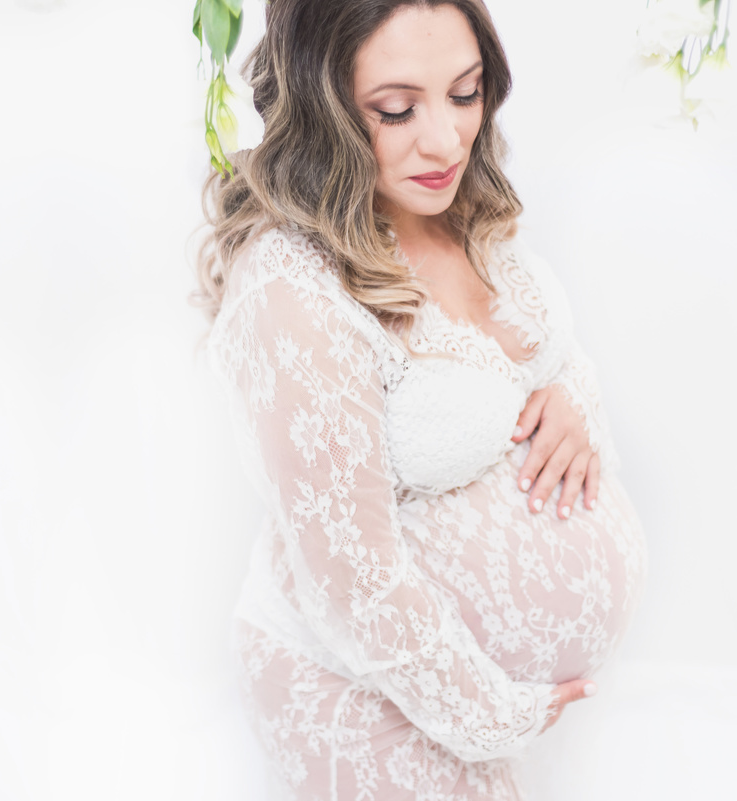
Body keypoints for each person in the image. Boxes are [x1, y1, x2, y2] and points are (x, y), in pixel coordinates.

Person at [195, 1, 647, 798]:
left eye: (465, 93)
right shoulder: (291, 285)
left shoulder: (458, 209)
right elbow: (351, 578)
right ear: (323, 107)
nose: (445, 140)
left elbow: (546, 360)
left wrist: (573, 402)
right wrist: (496, 716)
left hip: (497, 695)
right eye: (397, 110)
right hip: (361, 692)